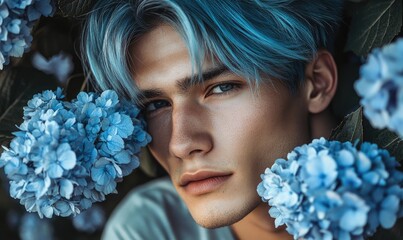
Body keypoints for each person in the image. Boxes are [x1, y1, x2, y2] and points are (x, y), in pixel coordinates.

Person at [82, 0, 343, 239]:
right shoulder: (150, 229)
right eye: (156, 105)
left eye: (221, 88)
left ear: (317, 82)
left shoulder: (383, 212)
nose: (181, 144)